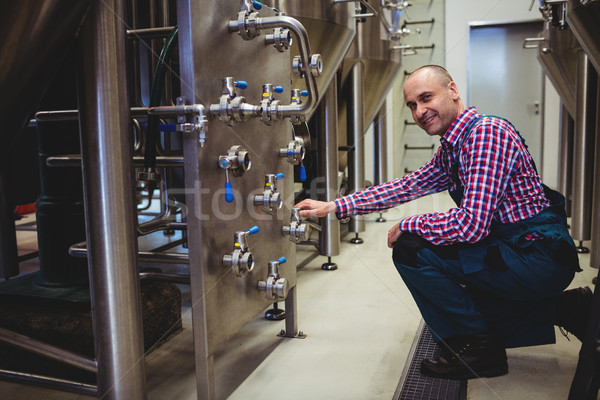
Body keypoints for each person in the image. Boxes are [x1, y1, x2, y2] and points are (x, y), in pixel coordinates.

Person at [295, 65, 592, 380]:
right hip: (518, 253)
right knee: (460, 296)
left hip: (536, 259)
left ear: (452, 91)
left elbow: (471, 225)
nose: (420, 111)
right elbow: (406, 186)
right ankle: (570, 309)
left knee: (412, 249)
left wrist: (412, 224)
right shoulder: (455, 147)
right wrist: (334, 205)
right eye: (412, 105)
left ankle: (482, 349)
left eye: (426, 98)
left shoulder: (485, 135)